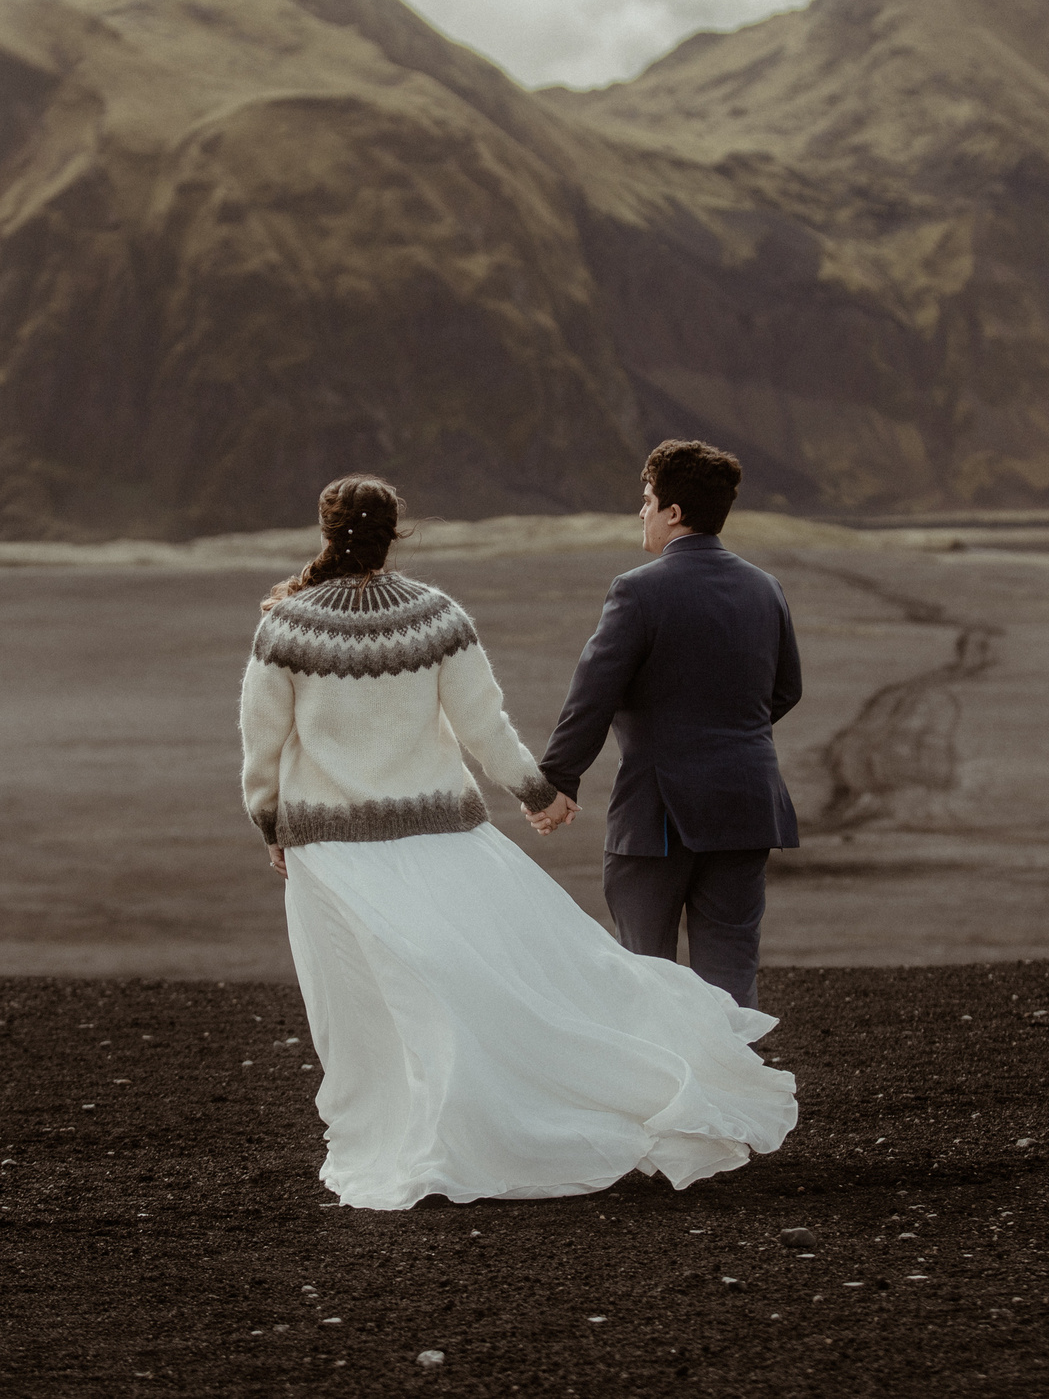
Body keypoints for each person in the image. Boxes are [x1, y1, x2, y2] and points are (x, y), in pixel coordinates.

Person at [240, 474, 797, 1211]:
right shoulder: (436, 616)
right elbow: (484, 727)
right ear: (395, 532)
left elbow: (261, 743)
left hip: (329, 852)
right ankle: (532, 1107)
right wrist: (538, 792)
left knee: (364, 1006)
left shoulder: (285, 626)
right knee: (468, 987)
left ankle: (401, 1133)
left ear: (324, 528)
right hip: (438, 840)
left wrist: (269, 822)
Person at [529, 440, 802, 1011]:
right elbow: (785, 691)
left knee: (646, 979)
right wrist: (723, 731)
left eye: (648, 500)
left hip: (659, 815)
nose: (642, 513)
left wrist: (556, 781)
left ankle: (668, 1097)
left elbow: (592, 696)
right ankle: (735, 1099)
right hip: (749, 805)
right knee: (730, 981)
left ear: (673, 513)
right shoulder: (766, 588)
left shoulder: (638, 589)